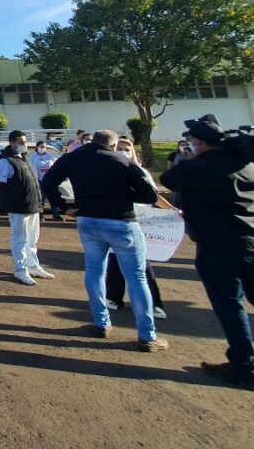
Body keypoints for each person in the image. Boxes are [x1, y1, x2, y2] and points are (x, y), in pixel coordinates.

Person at [42, 129, 166, 351]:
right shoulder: (122, 160)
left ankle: (101, 323)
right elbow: (149, 195)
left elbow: (48, 181)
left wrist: (62, 206)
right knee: (137, 277)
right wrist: (123, 195)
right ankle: (147, 335)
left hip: (88, 219)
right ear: (114, 144)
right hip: (121, 221)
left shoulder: (72, 158)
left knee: (95, 271)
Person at [161, 114, 254, 389]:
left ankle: (244, 364)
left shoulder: (196, 167)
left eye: (191, 141)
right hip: (250, 238)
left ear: (199, 143)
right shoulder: (246, 165)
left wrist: (190, 157)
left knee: (230, 305)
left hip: (217, 245)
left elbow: (169, 179)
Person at [105, 137, 168, 320]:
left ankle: (154, 303)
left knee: (142, 267)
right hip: (116, 223)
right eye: (119, 148)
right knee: (115, 263)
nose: (123, 151)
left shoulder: (140, 171)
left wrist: (172, 210)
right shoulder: (108, 171)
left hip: (137, 224)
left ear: (133, 152)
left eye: (127, 148)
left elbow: (155, 196)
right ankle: (114, 298)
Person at [0, 130, 53, 286]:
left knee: (32, 238)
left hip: (33, 205)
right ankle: (20, 269)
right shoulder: (5, 161)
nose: (24, 145)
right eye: (20, 142)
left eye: (25, 142)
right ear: (12, 143)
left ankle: (33, 266)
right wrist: (12, 195)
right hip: (18, 206)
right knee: (20, 239)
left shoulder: (24, 158)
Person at [30, 140, 63, 221]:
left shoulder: (50, 156)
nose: (43, 148)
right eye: (41, 147)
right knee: (41, 200)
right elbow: (32, 169)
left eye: (44, 147)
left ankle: (56, 215)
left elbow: (55, 167)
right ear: (36, 147)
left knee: (53, 199)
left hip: (50, 181)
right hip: (39, 181)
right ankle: (40, 216)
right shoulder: (32, 156)